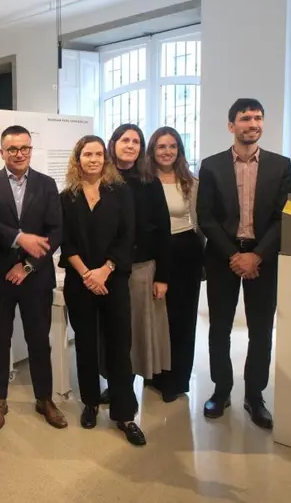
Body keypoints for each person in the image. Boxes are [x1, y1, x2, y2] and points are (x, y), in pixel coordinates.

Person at [196, 98, 291, 430]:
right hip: (223, 256)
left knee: (261, 330)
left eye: (258, 118)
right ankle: (221, 390)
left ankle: (255, 394)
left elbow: (283, 217)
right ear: (231, 125)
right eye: (245, 118)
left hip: (263, 258)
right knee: (219, 328)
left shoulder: (281, 166)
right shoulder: (211, 166)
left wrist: (257, 255)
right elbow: (206, 216)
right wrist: (234, 255)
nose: (253, 124)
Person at [0, 125, 66, 432]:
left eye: (24, 148)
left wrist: (27, 265)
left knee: (39, 340)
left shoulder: (46, 184)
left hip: (35, 276)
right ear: (2, 152)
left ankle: (44, 399)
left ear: (31, 150)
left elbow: (56, 231)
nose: (19, 154)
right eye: (12, 149)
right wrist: (19, 237)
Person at [59, 135, 146, 446]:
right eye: (87, 154)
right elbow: (65, 241)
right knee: (85, 345)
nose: (93, 159)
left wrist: (105, 270)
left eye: (98, 154)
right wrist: (87, 274)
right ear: (78, 159)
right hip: (80, 281)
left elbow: (128, 236)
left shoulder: (120, 192)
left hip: (113, 279)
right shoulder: (66, 197)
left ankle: (124, 414)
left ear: (105, 159)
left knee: (119, 345)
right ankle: (91, 403)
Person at [106, 124, 172, 400]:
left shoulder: (150, 182)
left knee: (136, 331)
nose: (130, 145)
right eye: (125, 140)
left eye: (136, 141)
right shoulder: (102, 180)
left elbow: (163, 229)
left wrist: (162, 276)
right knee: (112, 331)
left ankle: (128, 387)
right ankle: (115, 384)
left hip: (141, 268)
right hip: (107, 269)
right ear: (113, 143)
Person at [149, 126, 204, 403]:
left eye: (172, 146)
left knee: (182, 318)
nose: (167, 151)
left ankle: (177, 379)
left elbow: (199, 221)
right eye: (161, 146)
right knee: (158, 317)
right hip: (155, 254)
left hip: (186, 253)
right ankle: (155, 375)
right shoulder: (145, 182)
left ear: (179, 150)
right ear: (152, 150)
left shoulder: (190, 182)